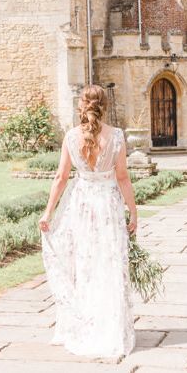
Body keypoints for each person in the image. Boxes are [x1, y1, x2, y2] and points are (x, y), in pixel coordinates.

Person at [38, 84, 137, 358]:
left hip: (80, 206)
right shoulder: (116, 136)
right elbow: (122, 178)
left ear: (82, 106)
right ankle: (108, 326)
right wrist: (133, 210)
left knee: (83, 264)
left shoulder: (71, 137)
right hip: (107, 206)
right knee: (108, 262)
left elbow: (60, 178)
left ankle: (84, 323)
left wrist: (48, 212)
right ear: (104, 106)